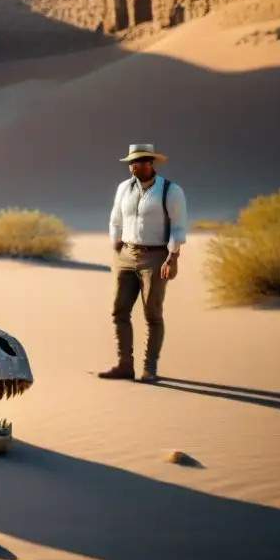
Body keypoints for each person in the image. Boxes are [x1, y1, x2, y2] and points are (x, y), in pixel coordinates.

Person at [98, 143, 187, 384]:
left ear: (149, 163)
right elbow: (115, 218)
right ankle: (125, 365)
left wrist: (172, 257)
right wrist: (115, 243)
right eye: (130, 162)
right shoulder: (124, 188)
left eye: (137, 161)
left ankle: (150, 368)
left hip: (155, 257)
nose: (132, 166)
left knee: (152, 314)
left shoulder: (170, 190)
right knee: (119, 311)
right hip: (126, 255)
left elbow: (178, 227)